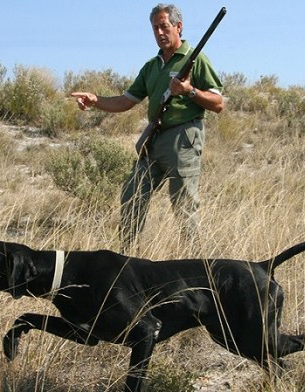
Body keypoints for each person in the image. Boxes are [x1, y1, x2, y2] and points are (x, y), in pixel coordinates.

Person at [71, 3, 223, 253]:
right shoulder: (151, 66)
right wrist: (96, 100)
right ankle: (128, 262)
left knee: (184, 206)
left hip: (183, 138)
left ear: (178, 26)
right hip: (153, 140)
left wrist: (189, 91)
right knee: (132, 196)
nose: (160, 33)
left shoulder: (195, 59)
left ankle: (195, 268)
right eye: (155, 28)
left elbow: (218, 103)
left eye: (164, 26)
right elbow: (126, 101)